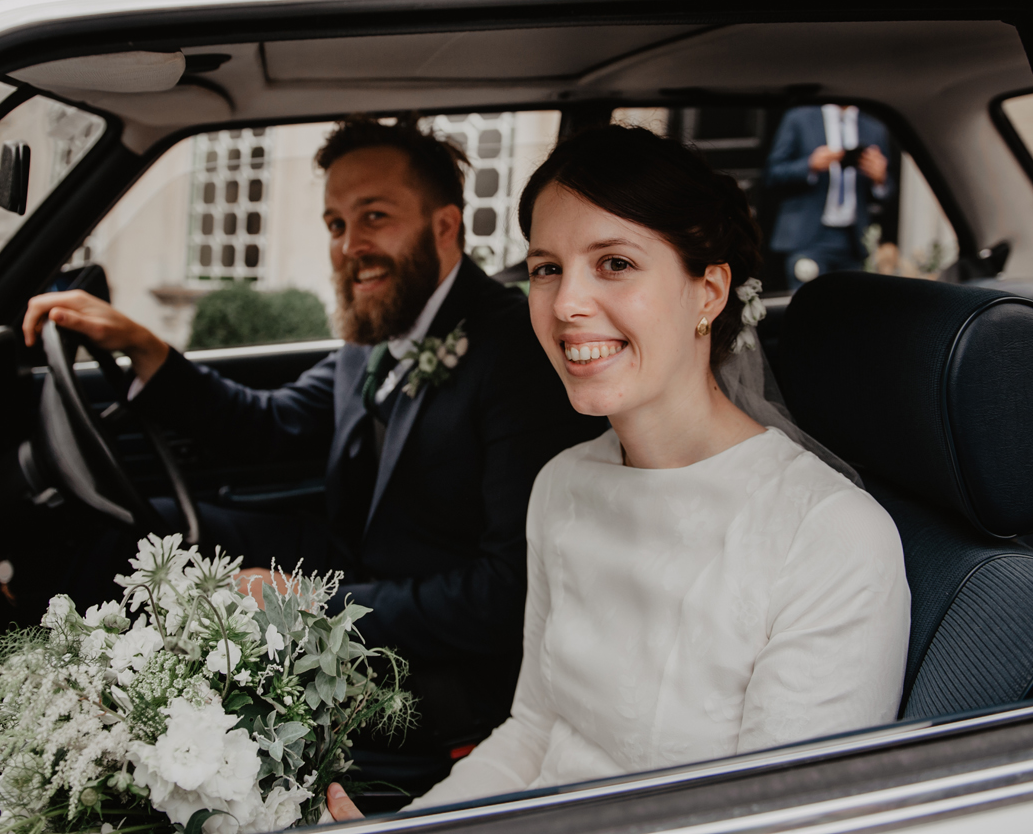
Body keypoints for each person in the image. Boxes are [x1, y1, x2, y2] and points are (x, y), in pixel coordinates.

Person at [326, 125, 909, 821]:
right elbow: (535, 735)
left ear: (709, 291)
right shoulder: (563, 486)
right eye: (547, 268)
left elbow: (774, 821)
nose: (567, 304)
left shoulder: (831, 539)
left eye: (615, 264)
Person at [22, 118, 605, 779]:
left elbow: (506, 594)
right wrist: (145, 347)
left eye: (374, 217)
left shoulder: (513, 355)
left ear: (444, 228)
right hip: (354, 563)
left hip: (434, 657)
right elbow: (272, 426)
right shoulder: (379, 327)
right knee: (138, 537)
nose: (350, 245)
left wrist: (310, 606)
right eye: (335, 225)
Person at [765, 104, 894, 287]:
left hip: (854, 240)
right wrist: (809, 165)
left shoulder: (874, 128)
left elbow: (888, 192)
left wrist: (880, 179)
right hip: (809, 237)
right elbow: (773, 174)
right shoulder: (799, 118)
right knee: (809, 305)